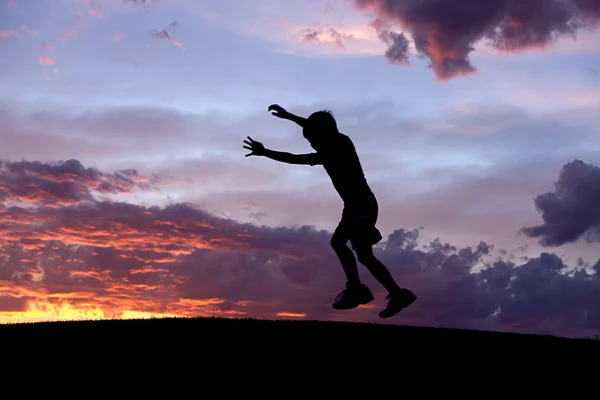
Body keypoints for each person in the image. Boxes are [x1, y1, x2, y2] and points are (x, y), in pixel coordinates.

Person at [242, 104, 416, 318]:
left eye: (312, 138)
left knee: (343, 245)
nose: (311, 142)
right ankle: (393, 293)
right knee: (361, 254)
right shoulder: (333, 138)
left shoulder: (334, 149)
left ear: (322, 134)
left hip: (363, 204)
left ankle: (359, 290)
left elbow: (297, 159)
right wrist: (289, 117)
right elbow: (310, 126)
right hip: (354, 206)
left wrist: (265, 152)